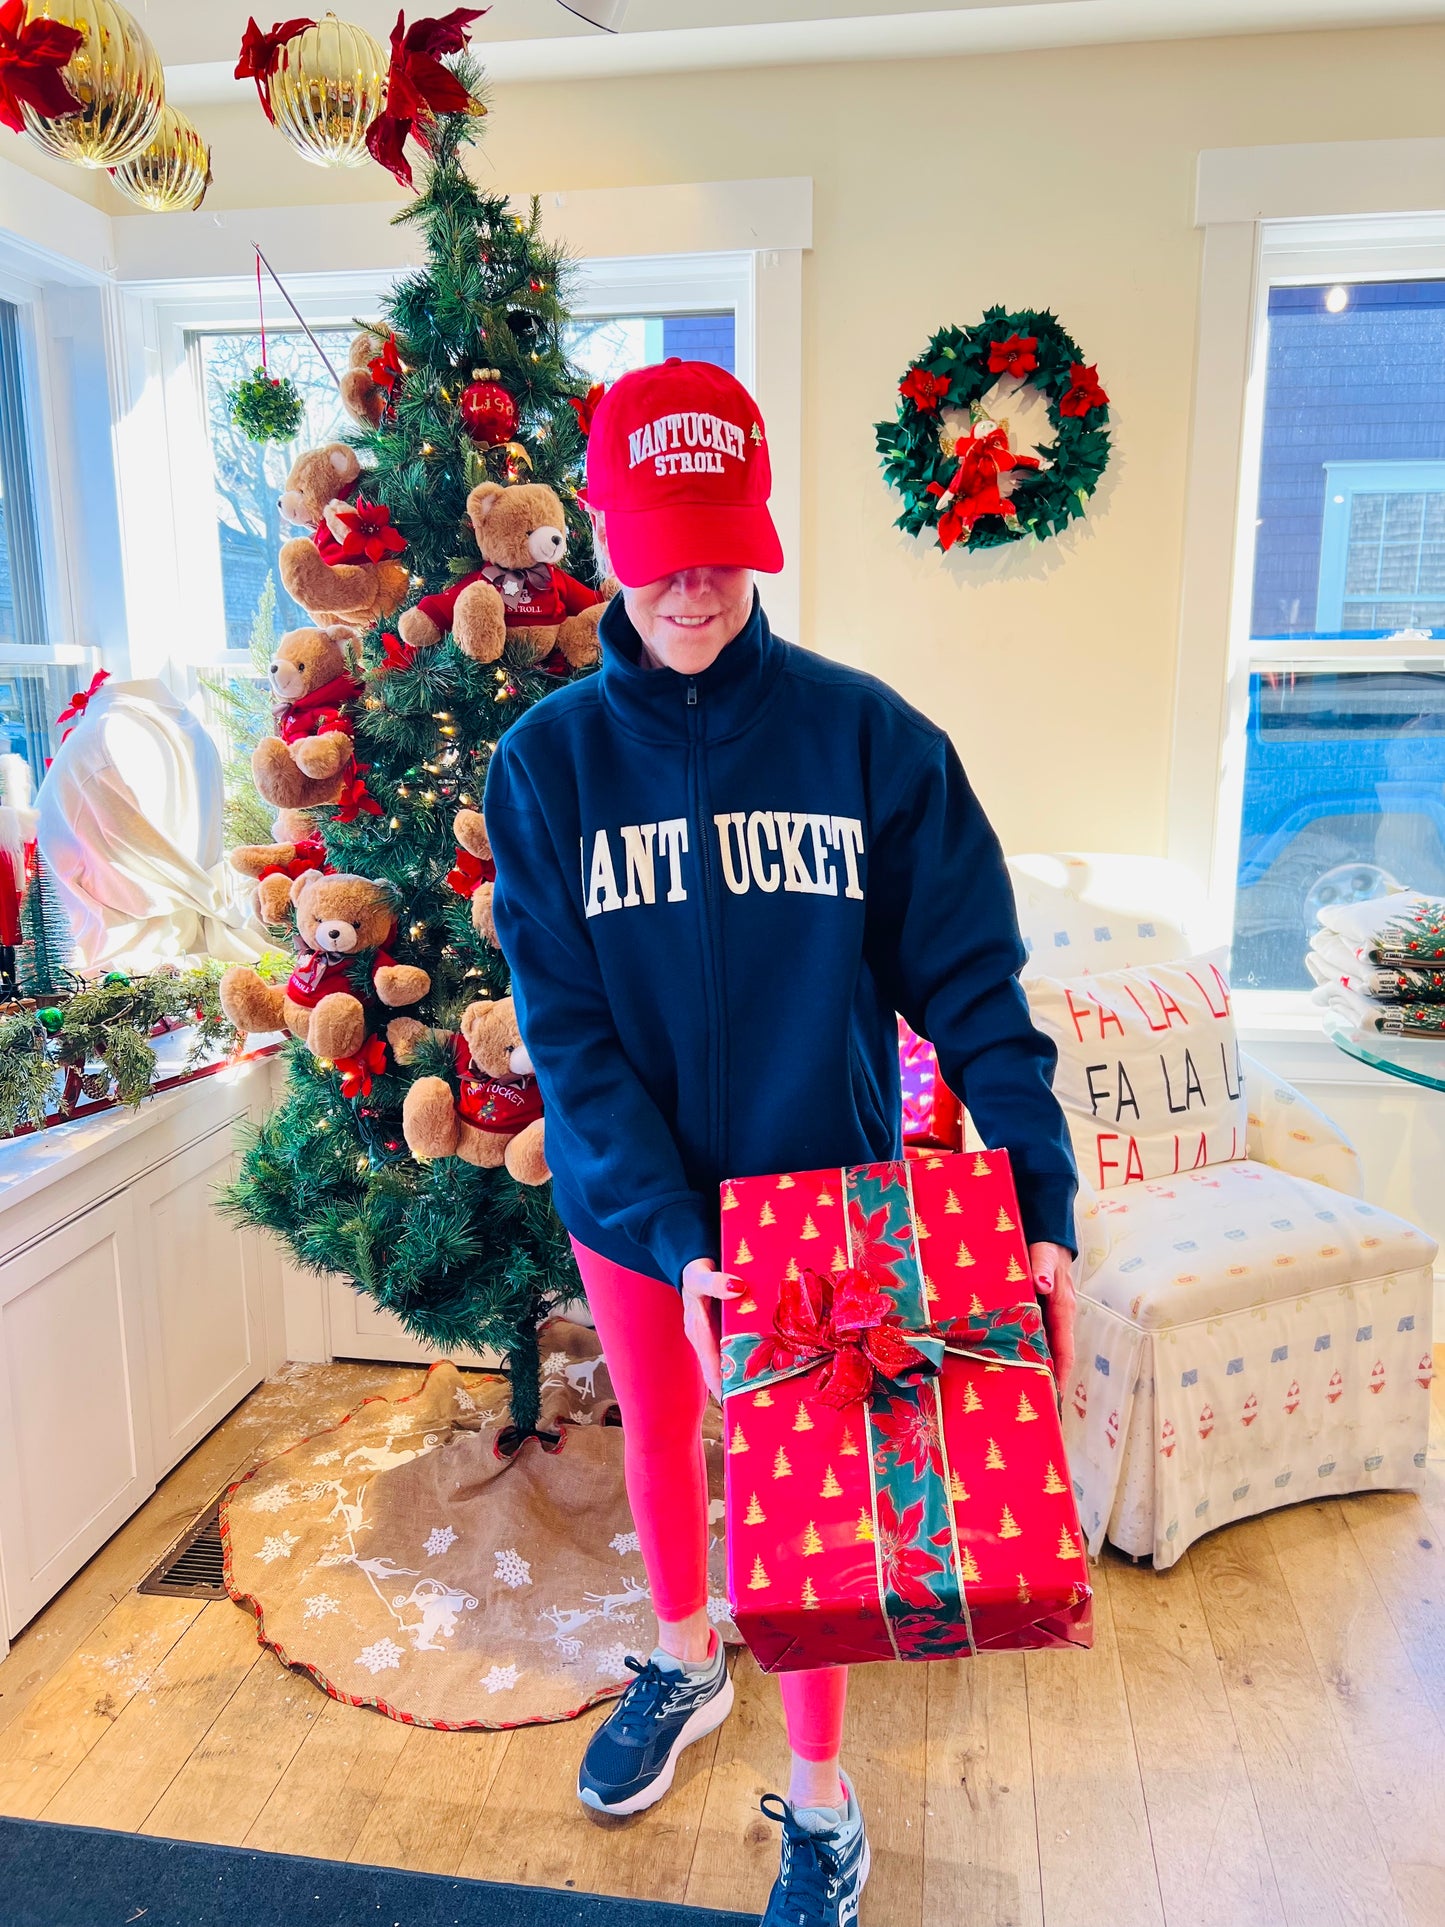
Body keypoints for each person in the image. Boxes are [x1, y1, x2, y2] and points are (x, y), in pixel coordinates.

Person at [484, 358, 1079, 1927]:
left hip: (827, 1220)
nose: (692, 584)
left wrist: (1040, 1201)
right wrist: (675, 1240)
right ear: (600, 537)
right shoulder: (546, 765)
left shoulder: (868, 742)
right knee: (667, 1452)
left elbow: (976, 990)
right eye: (658, 544)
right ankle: (683, 1657)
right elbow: (570, 1035)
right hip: (640, 1218)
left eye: (722, 545)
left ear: (756, 533)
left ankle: (819, 1795)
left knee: (810, 1517)